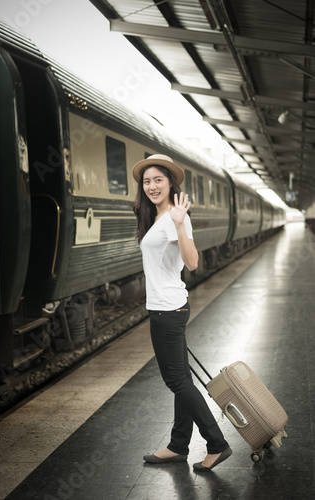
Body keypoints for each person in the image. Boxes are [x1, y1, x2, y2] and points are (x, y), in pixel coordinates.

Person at [132, 154, 232, 472]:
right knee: (182, 379)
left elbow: (192, 262)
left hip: (168, 310)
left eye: (158, 179)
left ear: (170, 182)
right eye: (146, 181)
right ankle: (178, 445)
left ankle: (216, 444)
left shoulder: (176, 218)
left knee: (176, 380)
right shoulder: (157, 217)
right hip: (164, 307)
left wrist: (178, 222)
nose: (151, 186)